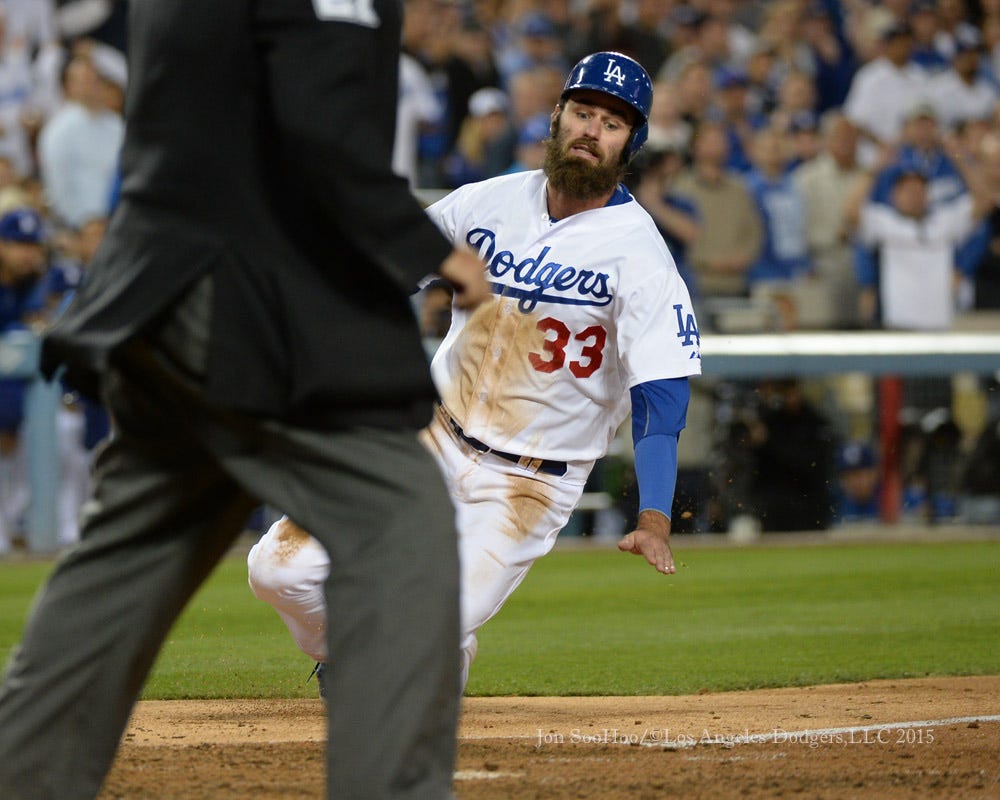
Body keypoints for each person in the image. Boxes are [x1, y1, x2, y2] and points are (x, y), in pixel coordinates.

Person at [0, 3, 489, 800]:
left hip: (152, 287)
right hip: (250, 297)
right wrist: (425, 248)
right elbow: (319, 123)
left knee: (128, 559)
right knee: (401, 521)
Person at [248, 51, 702, 692]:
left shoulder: (641, 253)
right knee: (275, 569)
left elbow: (660, 394)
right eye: (583, 111)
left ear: (633, 143)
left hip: (525, 485)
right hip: (427, 436)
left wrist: (654, 515)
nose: (591, 130)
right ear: (557, 115)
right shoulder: (491, 201)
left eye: (612, 123)